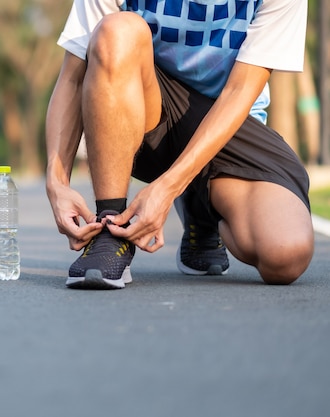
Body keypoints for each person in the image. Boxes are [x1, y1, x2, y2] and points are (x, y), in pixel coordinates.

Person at [45, 0, 314, 290]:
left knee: (286, 254)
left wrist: (167, 188)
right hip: (149, 112)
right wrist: (56, 182)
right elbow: (73, 77)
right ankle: (110, 227)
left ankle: (201, 209)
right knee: (117, 31)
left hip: (227, 121)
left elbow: (238, 92)